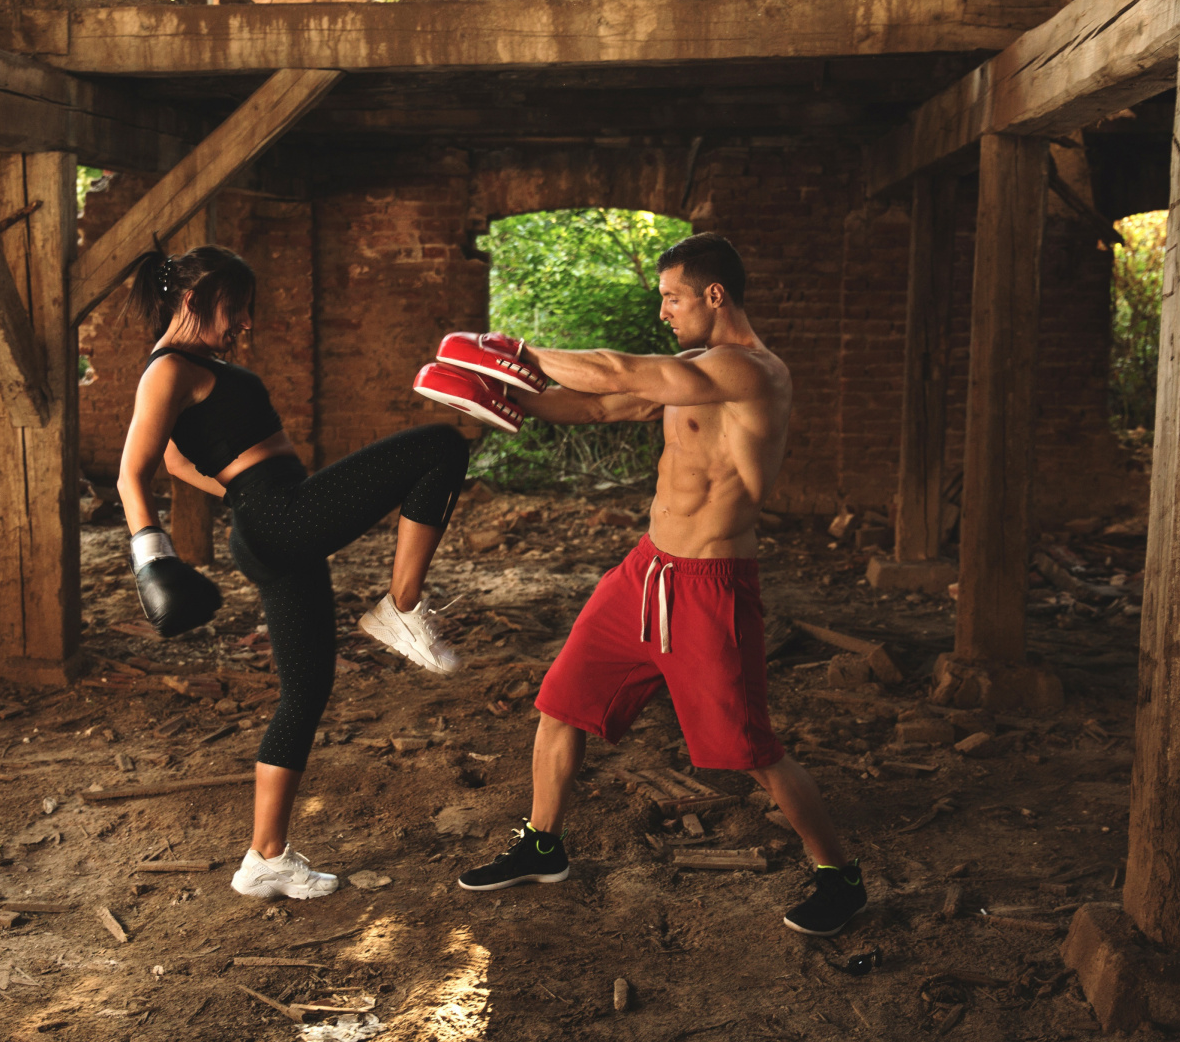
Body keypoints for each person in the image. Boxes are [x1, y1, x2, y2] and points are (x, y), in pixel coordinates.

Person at [452, 232, 867, 937]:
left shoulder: (752, 373)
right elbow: (605, 406)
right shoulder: (696, 368)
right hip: (645, 572)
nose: (665, 313)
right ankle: (542, 844)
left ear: (715, 295)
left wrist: (515, 353)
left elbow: (621, 372)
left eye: (672, 298)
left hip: (711, 588)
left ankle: (840, 876)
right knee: (561, 702)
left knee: (752, 750)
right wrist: (506, 400)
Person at [115, 245, 470, 901]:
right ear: (193, 301)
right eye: (236, 311)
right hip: (279, 517)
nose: (243, 325)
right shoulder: (168, 369)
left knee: (306, 691)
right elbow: (132, 470)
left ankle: (265, 859)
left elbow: (172, 458)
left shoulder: (189, 368)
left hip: (271, 521)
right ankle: (401, 604)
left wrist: (240, 499)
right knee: (443, 446)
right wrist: (151, 555)